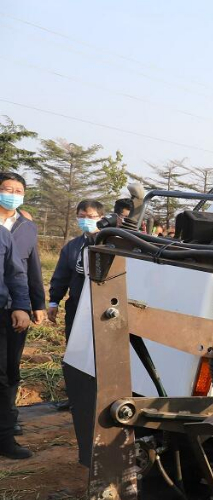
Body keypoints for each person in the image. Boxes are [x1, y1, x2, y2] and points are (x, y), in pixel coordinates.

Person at [0, 172, 46, 440]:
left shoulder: (27, 226)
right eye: (8, 189)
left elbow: (29, 268)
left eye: (19, 191)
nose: (13, 194)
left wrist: (36, 303)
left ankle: (8, 420)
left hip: (15, 306)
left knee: (10, 366)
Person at [48, 200, 104, 340]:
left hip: (103, 306)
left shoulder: (110, 243)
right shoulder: (72, 246)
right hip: (77, 304)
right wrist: (54, 301)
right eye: (82, 216)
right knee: (75, 343)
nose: (86, 220)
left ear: (101, 218)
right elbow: (61, 276)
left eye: (91, 217)